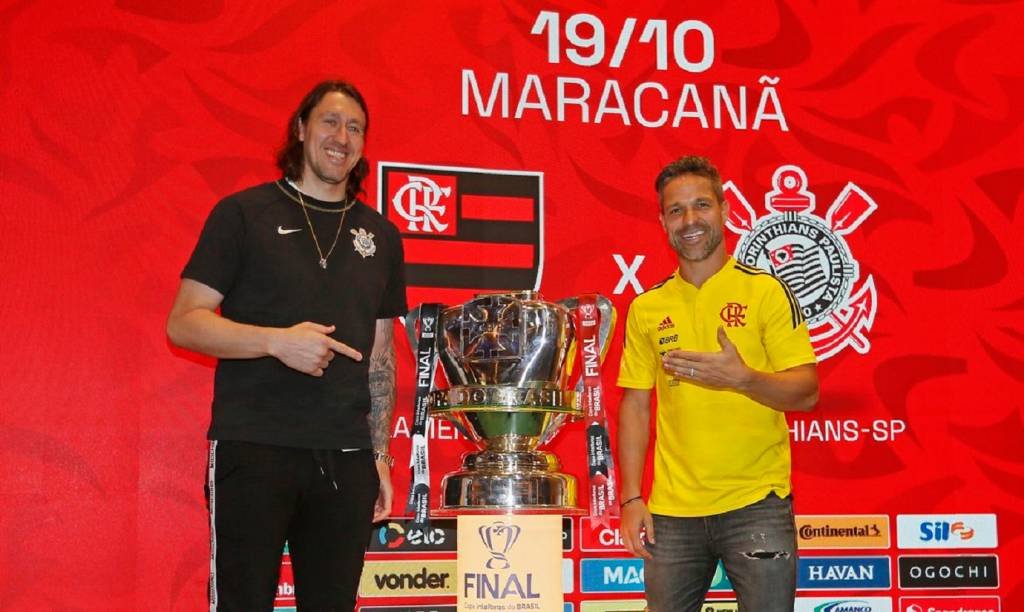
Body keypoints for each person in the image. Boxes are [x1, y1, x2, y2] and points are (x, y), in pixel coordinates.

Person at [166, 80, 406, 610]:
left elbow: (381, 358)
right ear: (300, 129)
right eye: (330, 121)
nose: (341, 136)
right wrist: (276, 343)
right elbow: (183, 323)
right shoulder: (243, 215)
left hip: (346, 457)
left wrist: (380, 455)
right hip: (254, 447)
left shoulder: (382, 237)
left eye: (355, 127)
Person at [616, 156, 819, 611]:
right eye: (676, 210)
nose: (690, 220)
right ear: (663, 222)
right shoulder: (647, 307)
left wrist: (744, 379)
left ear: (725, 212)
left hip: (756, 504)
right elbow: (635, 405)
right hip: (672, 512)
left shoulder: (764, 291)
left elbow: (807, 391)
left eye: (701, 205)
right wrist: (631, 498)